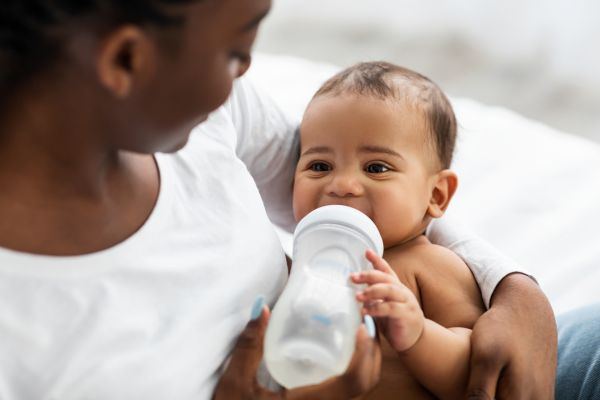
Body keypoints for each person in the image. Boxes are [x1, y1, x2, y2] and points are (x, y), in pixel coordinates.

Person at [0, 0, 577, 398]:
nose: (248, 73)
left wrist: (516, 292)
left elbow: (370, 208)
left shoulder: (209, 119)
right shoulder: (24, 332)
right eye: (234, 51)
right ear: (127, 59)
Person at [292, 61, 486, 399]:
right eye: (319, 166)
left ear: (436, 195)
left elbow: (476, 373)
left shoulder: (431, 266)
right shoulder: (302, 267)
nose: (343, 185)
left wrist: (418, 334)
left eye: (376, 167)